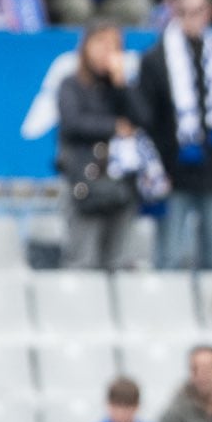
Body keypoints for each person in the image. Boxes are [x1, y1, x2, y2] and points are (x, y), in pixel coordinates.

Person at [134, 0, 212, 270]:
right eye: (184, 11)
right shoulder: (155, 59)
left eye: (199, 11)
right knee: (170, 255)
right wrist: (156, 170)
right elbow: (147, 120)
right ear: (174, 13)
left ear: (209, 12)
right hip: (173, 173)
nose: (192, 18)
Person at [56, 20, 143, 269]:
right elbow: (73, 123)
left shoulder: (122, 86)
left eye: (115, 45)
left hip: (121, 183)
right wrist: (113, 126)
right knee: (82, 259)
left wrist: (121, 84)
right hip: (84, 181)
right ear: (86, 46)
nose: (108, 51)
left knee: (118, 259)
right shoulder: (71, 84)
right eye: (102, 43)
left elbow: (141, 119)